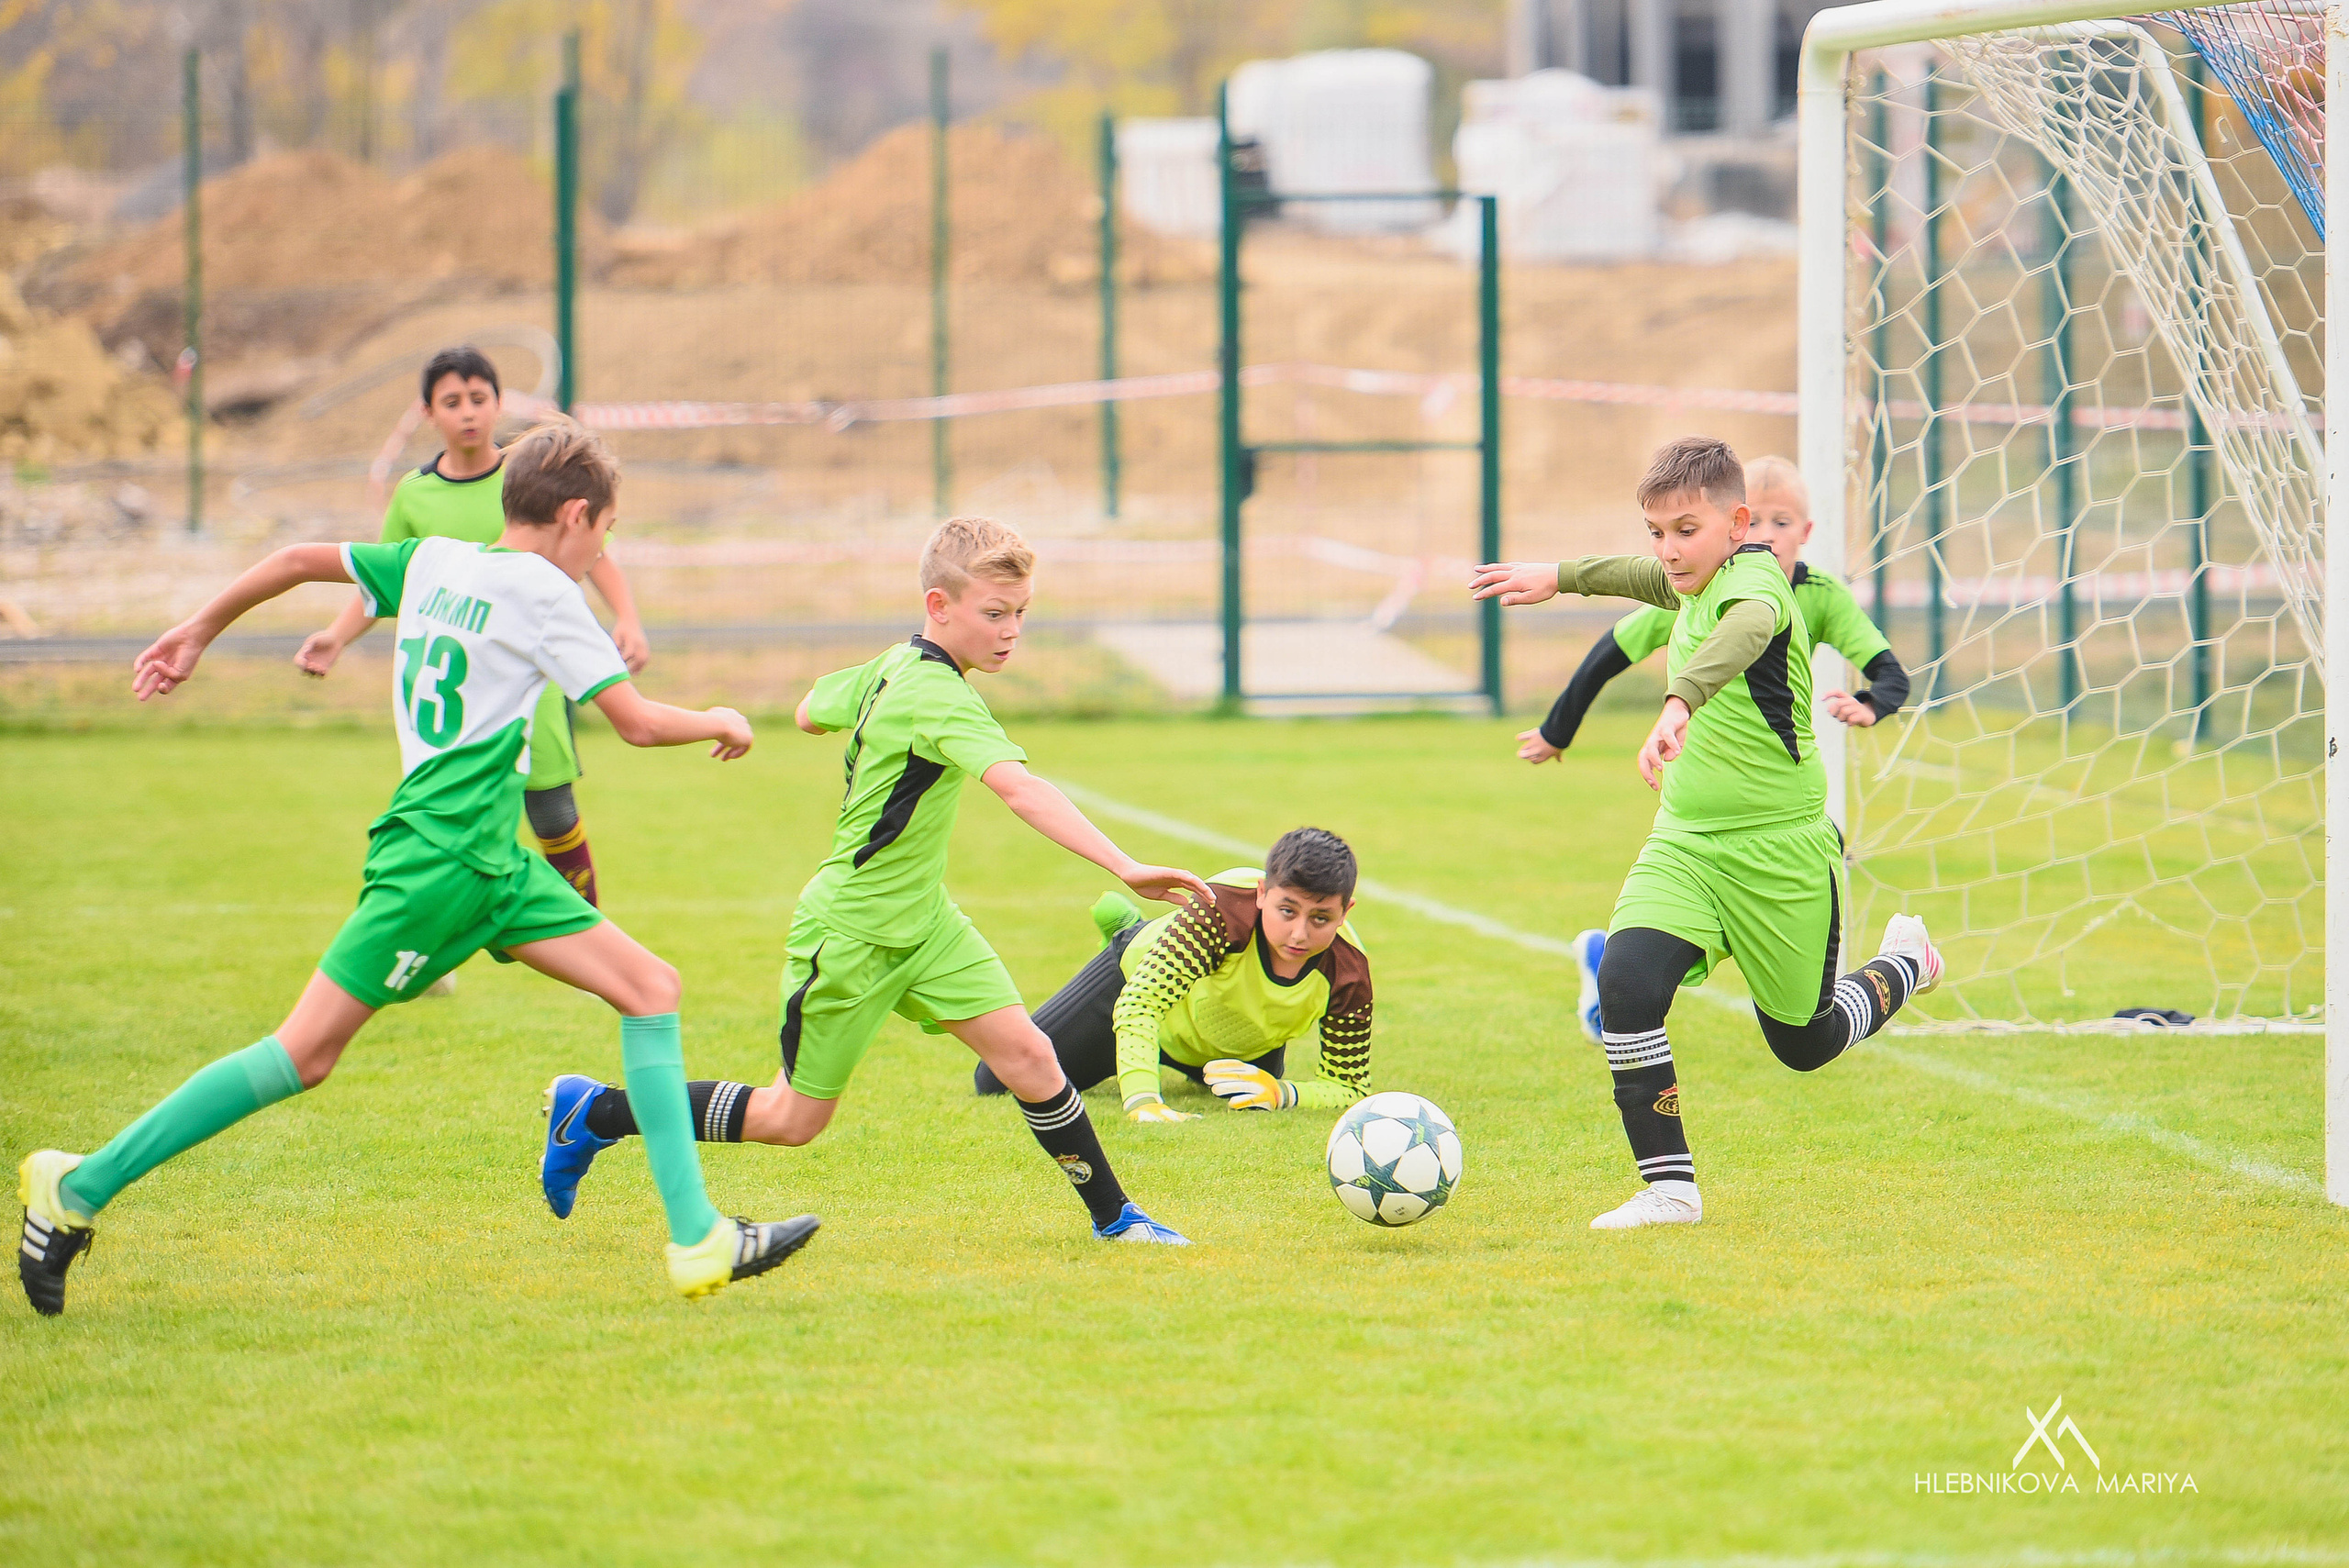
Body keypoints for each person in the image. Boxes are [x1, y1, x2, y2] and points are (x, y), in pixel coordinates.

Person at [17, 421, 813, 1317]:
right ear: (577, 515)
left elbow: (291, 559)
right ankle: (76, 1185)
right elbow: (633, 721)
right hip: (438, 863)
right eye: (607, 530)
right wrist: (719, 717)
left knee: (649, 985)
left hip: (493, 863)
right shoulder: (547, 594)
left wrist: (198, 630)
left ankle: (696, 1232)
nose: (603, 549)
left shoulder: (435, 560)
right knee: (301, 1053)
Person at [537, 516, 1213, 1244]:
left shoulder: (893, 665)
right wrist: (1126, 865)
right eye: (994, 613)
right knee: (790, 1119)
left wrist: (853, 724)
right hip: (851, 931)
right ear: (938, 606)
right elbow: (1020, 789)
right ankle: (598, 1112)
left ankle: (1117, 1218)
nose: (1011, 629)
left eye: (1020, 612)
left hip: (924, 922)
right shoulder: (940, 697)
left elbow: (807, 710)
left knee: (1029, 1055)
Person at [1471, 435, 1943, 1231]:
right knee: (1625, 983)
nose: (1667, 550)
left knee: (1806, 1042)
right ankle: (1671, 1189)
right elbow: (1634, 577)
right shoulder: (1687, 574)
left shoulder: (1760, 584)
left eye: (1685, 530)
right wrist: (1556, 577)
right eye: (1656, 530)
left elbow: (1746, 633)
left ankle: (1905, 960)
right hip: (1686, 842)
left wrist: (1679, 701)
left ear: (1738, 523)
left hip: (1781, 851)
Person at [1517, 454, 1911, 1043]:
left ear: (1806, 532)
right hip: (1696, 823)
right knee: (1637, 978)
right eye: (1758, 525)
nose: (1766, 536)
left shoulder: (1815, 596)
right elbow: (1614, 648)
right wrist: (1557, 728)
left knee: (1805, 1042)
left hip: (1781, 818)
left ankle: (1895, 963)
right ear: (1735, 525)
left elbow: (1886, 671)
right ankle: (1620, 976)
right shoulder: (1695, 584)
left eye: (1783, 522)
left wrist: (1872, 702)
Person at [296, 345, 649, 921]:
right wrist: (338, 635)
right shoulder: (415, 494)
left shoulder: (528, 477)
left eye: (479, 399)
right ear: (428, 412)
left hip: (533, 675)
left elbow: (596, 553)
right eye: (452, 401)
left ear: (498, 403)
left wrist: (628, 618)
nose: (468, 413)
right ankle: (430, 939)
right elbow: (388, 579)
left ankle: (585, 929)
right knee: (450, 819)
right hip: (466, 687)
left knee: (553, 813)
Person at [968, 827, 1374, 1123]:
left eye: (1321, 918)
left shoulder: (1348, 972)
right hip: (1134, 989)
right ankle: (1131, 931)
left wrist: (1284, 1092)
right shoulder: (1220, 908)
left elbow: (1350, 1086)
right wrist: (1145, 1102)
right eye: (1287, 911)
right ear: (1262, 893)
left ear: (1346, 912)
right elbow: (1142, 1003)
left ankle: (1146, 936)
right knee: (996, 1080)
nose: (1299, 934)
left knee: (1247, 1099)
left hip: (1228, 1042)